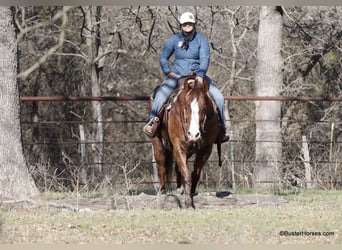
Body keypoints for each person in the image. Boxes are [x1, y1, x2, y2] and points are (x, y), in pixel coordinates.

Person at [143, 12, 229, 143]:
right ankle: (152, 121)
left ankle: (222, 128)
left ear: (194, 24)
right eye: (185, 24)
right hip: (177, 76)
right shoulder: (174, 40)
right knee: (161, 93)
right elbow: (163, 57)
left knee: (219, 97)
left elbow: (205, 58)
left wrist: (200, 75)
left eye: (190, 23)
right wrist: (168, 71)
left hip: (198, 76)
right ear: (181, 25)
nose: (187, 26)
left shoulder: (202, 40)